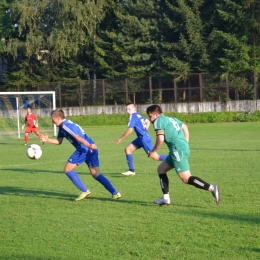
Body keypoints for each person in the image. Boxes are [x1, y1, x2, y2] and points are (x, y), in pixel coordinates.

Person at [39, 109, 121, 202]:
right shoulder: (62, 126)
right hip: (91, 147)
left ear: (58, 118)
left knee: (67, 169)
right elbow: (59, 141)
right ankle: (115, 193)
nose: (52, 122)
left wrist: (88, 146)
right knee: (95, 174)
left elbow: (77, 137)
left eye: (53, 119)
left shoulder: (65, 126)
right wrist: (47, 139)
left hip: (84, 148)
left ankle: (84, 191)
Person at [146, 104, 220, 205]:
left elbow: (160, 139)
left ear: (157, 114)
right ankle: (165, 198)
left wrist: (153, 151)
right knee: (161, 169)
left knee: (186, 178)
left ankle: (212, 188)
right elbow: (184, 127)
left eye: (150, 116)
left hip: (177, 150)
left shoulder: (158, 121)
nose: (149, 119)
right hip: (179, 149)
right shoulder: (170, 118)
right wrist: (185, 143)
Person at [115, 102, 167, 176]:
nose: (128, 111)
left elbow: (130, 130)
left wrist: (120, 138)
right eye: (126, 109)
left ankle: (174, 159)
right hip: (140, 138)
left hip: (144, 139)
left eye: (129, 109)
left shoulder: (132, 116)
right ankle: (131, 170)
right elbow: (147, 121)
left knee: (155, 157)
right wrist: (145, 129)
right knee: (128, 149)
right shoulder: (138, 115)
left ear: (134, 108)